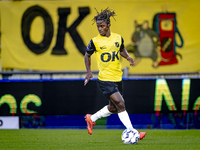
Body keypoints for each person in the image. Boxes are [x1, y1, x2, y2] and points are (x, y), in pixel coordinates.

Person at [84, 8, 146, 140]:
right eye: (98, 26)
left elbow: (121, 49)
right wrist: (89, 72)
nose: (99, 29)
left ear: (108, 25)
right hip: (105, 79)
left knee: (113, 108)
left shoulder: (118, 38)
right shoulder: (95, 41)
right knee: (121, 104)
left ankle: (91, 118)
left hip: (117, 77)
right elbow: (87, 56)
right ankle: (133, 131)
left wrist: (128, 57)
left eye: (102, 26)